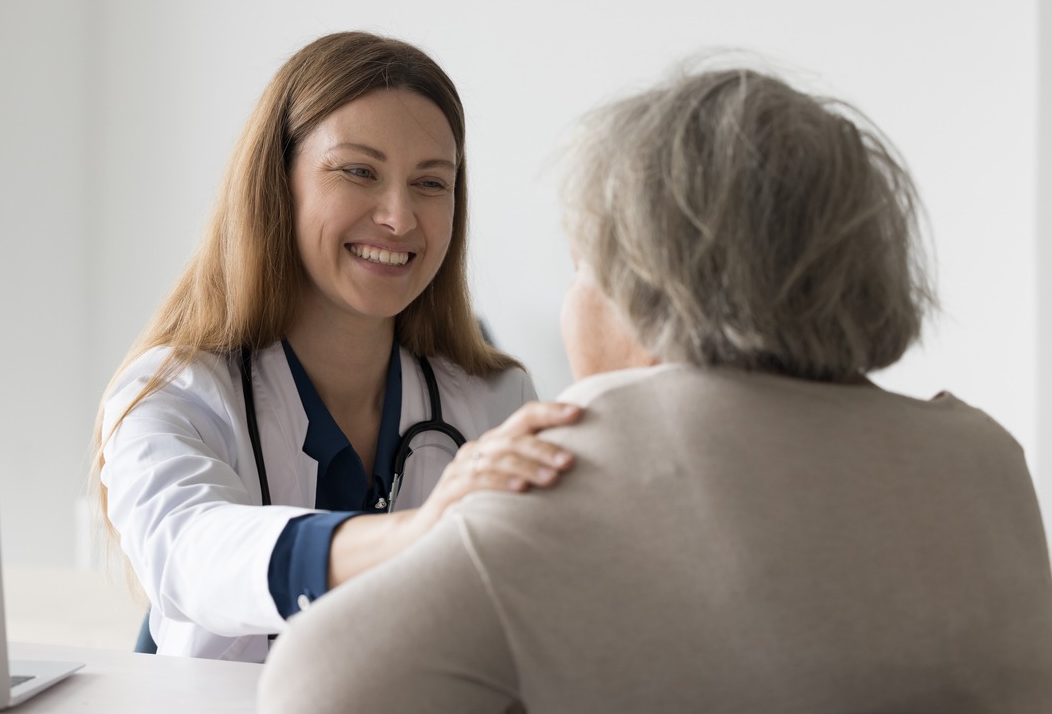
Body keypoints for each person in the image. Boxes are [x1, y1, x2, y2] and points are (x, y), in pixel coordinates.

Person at [259, 64, 1052, 711]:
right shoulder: (983, 461)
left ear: (647, 282)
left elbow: (314, 687)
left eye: (580, 268)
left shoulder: (574, 460)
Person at [93, 31, 579, 663]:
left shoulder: (497, 400)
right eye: (358, 172)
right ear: (277, 183)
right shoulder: (173, 395)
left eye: (431, 183)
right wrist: (417, 535)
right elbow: (191, 555)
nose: (400, 218)